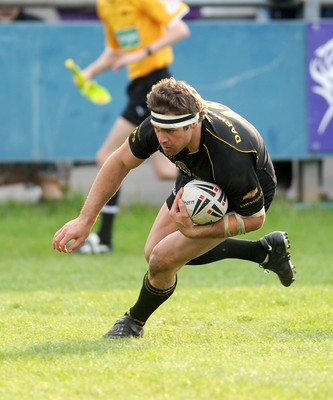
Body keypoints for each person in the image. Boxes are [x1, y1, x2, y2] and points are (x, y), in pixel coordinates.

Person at [53, 77, 296, 339]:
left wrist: (195, 232)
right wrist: (85, 220)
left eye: (170, 133)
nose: (162, 139)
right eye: (158, 130)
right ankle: (264, 251)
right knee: (153, 252)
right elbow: (119, 162)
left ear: (193, 124)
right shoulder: (163, 123)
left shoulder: (230, 157)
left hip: (244, 195)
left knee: (162, 260)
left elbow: (255, 218)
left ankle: (132, 322)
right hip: (197, 176)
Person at [76, 0, 190, 254]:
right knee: (164, 170)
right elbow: (114, 51)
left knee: (107, 156)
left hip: (155, 84)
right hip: (139, 87)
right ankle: (217, 183)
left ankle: (104, 238)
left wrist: (143, 53)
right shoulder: (105, 6)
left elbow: (180, 30)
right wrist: (90, 72)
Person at [0, 6, 63, 200]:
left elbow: (54, 63)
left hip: (29, 116)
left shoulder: (35, 25)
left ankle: (54, 211)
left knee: (47, 177)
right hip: (4, 117)